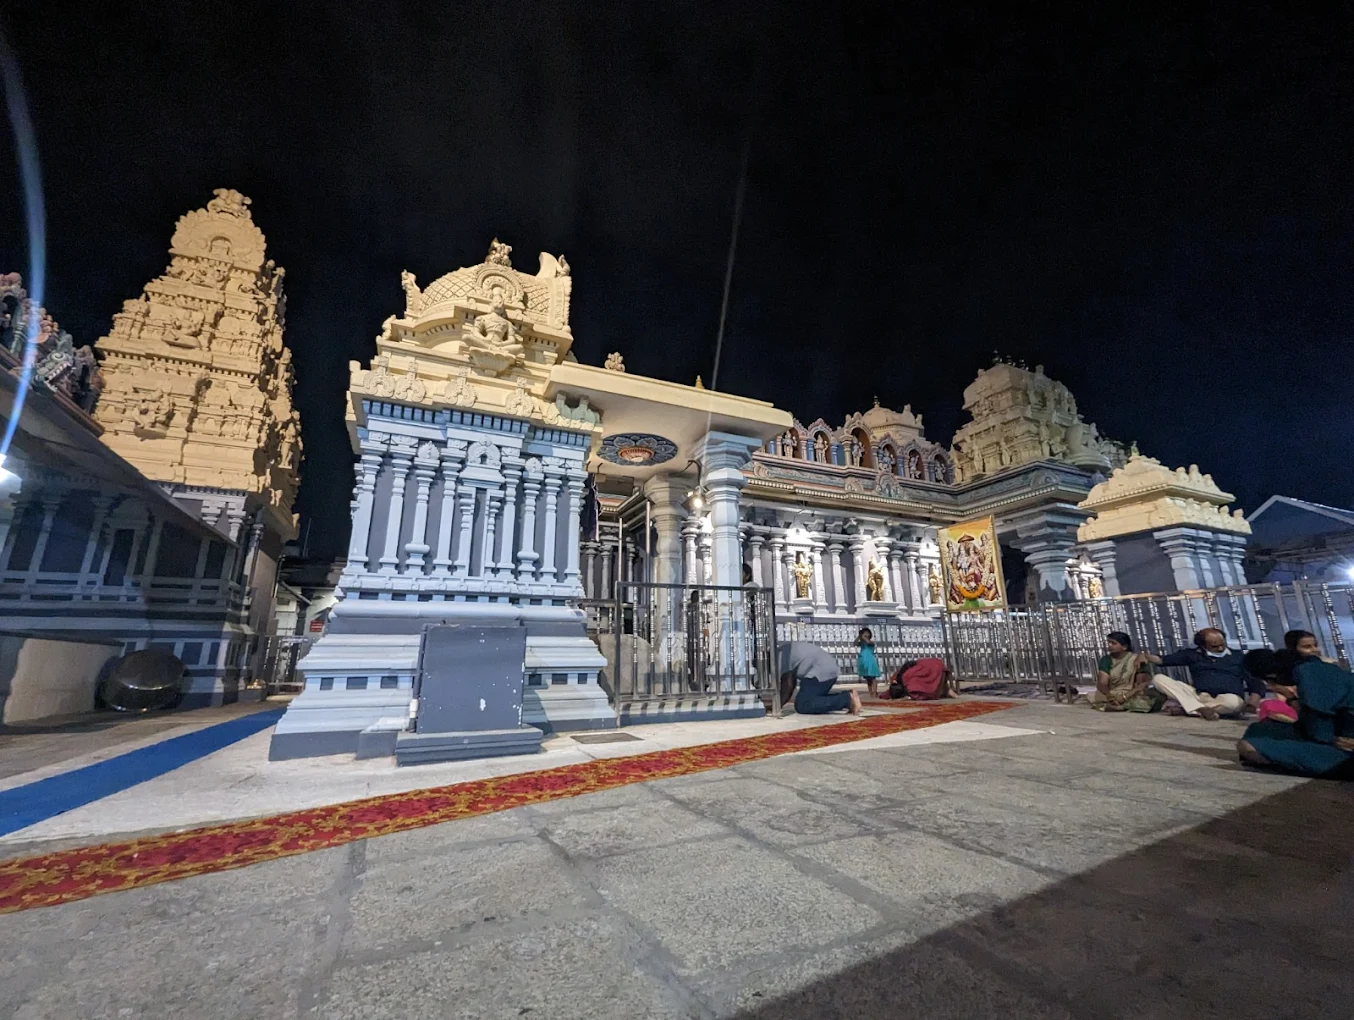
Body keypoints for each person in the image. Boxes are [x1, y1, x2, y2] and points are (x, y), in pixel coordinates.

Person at [1238, 634, 1354, 778]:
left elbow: (1320, 734)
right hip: (1339, 732)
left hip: (1346, 749)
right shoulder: (1316, 667)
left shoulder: (1308, 678)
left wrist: (1290, 697)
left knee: (1248, 746)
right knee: (1260, 729)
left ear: (1272, 676)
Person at [1139, 627, 1265, 720]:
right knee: (1158, 679)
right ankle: (1199, 709)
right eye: (1214, 646)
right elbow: (1162, 660)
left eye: (1222, 645)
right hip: (1198, 694)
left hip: (1226, 698)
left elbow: (1255, 682)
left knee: (1234, 704)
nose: (1220, 649)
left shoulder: (1238, 656)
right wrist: (1144, 656)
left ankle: (1191, 709)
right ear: (1202, 646)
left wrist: (1252, 703)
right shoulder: (1193, 655)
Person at [778, 641, 862, 716]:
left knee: (803, 704)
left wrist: (776, 705)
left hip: (819, 671)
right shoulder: (785, 649)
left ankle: (846, 699)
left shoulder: (780, 655)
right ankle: (847, 696)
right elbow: (791, 682)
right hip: (828, 669)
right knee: (813, 697)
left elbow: (788, 684)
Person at [1090, 631, 1160, 712]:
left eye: (1113, 643)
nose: (1109, 645)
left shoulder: (1136, 659)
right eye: (1108, 643)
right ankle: (1122, 706)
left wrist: (1124, 697)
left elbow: (1142, 684)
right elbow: (1102, 683)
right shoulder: (1106, 660)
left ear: (1124, 647)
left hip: (1132, 693)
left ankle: (1120, 706)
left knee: (1148, 695)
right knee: (1097, 696)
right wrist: (1110, 697)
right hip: (1113, 693)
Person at [856, 627, 882, 698]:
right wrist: (859, 636)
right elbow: (854, 643)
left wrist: (863, 636)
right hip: (863, 660)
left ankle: (874, 692)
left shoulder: (871, 642)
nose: (866, 634)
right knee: (868, 678)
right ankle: (870, 692)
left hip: (870, 660)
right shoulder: (862, 643)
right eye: (865, 633)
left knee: (873, 677)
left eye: (867, 633)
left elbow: (868, 642)